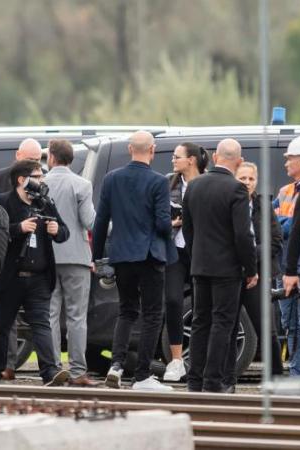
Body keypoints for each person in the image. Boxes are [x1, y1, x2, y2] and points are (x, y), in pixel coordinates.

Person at [92, 130, 175, 392]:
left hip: (121, 256)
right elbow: (162, 224)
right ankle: (142, 376)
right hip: (150, 255)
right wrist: (172, 224)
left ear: (130, 149)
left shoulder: (111, 179)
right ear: (152, 150)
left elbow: (101, 219)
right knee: (152, 315)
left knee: (126, 311)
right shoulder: (159, 181)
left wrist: (96, 257)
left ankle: (116, 365)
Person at [182, 138, 258, 393]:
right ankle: (213, 381)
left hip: (200, 266)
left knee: (200, 322)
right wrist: (251, 268)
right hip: (227, 269)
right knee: (222, 323)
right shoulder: (236, 189)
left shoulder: (194, 186)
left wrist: (196, 257)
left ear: (215, 157)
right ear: (238, 161)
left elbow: (188, 229)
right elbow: (243, 235)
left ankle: (194, 380)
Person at [0, 160, 70, 385]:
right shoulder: (4, 202)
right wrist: (19, 228)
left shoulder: (44, 203)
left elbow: (64, 232)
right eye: (38, 176)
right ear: (22, 180)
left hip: (39, 278)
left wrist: (57, 230)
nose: (42, 180)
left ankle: (50, 372)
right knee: (1, 325)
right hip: (10, 277)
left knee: (41, 324)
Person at [224, 162, 283, 390]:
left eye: (251, 179)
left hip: (257, 275)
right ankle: (227, 381)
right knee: (228, 328)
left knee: (267, 329)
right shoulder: (227, 204)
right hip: (230, 274)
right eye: (243, 178)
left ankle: (276, 379)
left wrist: (250, 258)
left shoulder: (264, 206)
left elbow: (275, 241)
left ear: (256, 181)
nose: (247, 182)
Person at [0, 137, 43, 379]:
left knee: (38, 319)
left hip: (33, 258)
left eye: (38, 160)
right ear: (17, 156)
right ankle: (4, 366)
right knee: (3, 320)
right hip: (6, 253)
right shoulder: (1, 176)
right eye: (29, 160)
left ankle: (46, 368)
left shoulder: (41, 183)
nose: (34, 164)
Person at [44, 139, 97, 387]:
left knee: (51, 314)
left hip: (46, 259)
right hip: (77, 257)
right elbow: (89, 221)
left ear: (51, 157)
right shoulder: (82, 185)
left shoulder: (39, 185)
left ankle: (54, 368)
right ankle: (77, 371)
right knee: (77, 316)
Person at [162, 142, 209, 381]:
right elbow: (157, 213)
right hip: (175, 250)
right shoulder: (168, 182)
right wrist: (172, 223)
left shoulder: (207, 182)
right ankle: (177, 360)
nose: (173, 160)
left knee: (203, 303)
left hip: (201, 251)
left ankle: (202, 359)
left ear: (191, 160)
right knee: (172, 300)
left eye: (177, 156)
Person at [275, 135, 300, 376]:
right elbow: (273, 223)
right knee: (290, 323)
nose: (286, 163)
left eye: (289, 159)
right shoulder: (286, 190)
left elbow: (293, 228)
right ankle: (297, 373)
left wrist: (286, 223)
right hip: (287, 264)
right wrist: (287, 223)